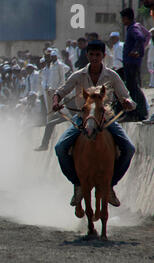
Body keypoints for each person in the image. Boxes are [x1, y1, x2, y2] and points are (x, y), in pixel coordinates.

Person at [52, 40, 136, 207]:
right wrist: (56, 102)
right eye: (92, 54)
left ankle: (111, 185)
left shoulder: (112, 76)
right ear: (87, 55)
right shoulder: (78, 75)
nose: (95, 57)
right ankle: (77, 184)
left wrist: (127, 102)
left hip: (106, 118)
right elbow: (60, 92)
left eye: (98, 55)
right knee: (60, 148)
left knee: (128, 149)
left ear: (103, 56)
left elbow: (126, 96)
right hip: (83, 117)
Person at [121, 8, 149, 121]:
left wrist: (136, 50)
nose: (122, 20)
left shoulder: (133, 28)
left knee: (132, 89)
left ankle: (135, 113)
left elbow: (141, 37)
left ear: (127, 18)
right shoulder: (133, 27)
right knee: (133, 88)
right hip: (130, 63)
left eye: (123, 18)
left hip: (131, 63)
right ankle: (139, 112)